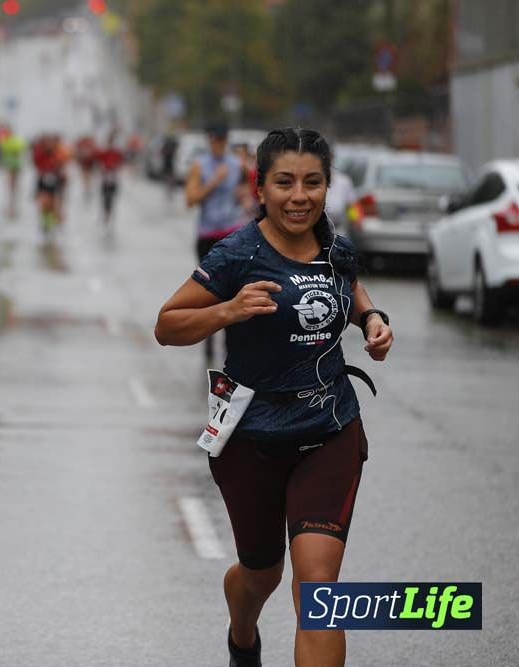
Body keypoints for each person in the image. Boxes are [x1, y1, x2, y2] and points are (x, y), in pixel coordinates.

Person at [155, 127, 393, 667]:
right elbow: (166, 325)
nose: (299, 196)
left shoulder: (337, 247)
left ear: (328, 187)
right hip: (251, 440)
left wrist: (373, 319)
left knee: (319, 590)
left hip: (330, 429)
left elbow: (349, 285)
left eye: (312, 182)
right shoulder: (237, 254)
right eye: (284, 182)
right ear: (260, 188)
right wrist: (228, 311)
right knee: (260, 573)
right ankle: (243, 634)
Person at [185, 122, 250, 361]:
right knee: (209, 291)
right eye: (214, 141)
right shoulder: (199, 165)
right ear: (209, 140)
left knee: (234, 290)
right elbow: (190, 199)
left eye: (222, 141)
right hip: (207, 234)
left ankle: (230, 344)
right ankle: (208, 339)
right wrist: (213, 182)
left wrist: (243, 198)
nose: (218, 145)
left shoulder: (237, 164)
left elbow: (245, 192)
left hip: (232, 232)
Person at [94, 132, 124, 226]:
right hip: (105, 177)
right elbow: (97, 160)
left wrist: (116, 167)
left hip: (113, 178)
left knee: (112, 197)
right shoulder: (104, 152)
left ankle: (109, 213)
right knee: (105, 197)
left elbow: (121, 162)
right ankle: (106, 213)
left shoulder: (117, 153)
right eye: (110, 142)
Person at [0, 128, 26, 218]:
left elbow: (18, 149)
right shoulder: (10, 141)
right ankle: (12, 207)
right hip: (11, 166)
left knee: (12, 187)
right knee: (12, 187)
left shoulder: (10, 141)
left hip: (14, 166)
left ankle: (12, 208)